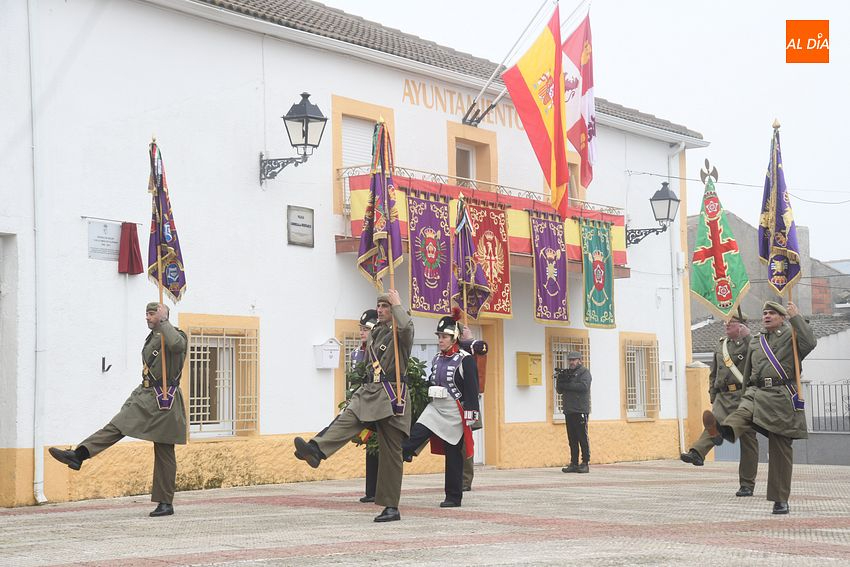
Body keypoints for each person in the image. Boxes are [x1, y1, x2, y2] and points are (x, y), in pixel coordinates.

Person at [48, 302, 188, 517]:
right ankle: (79, 454)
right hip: (145, 395)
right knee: (117, 425)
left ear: (162, 315)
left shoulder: (174, 334)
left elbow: (177, 347)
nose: (147, 318)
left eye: (151, 314)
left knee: (164, 451)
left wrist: (164, 322)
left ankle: (165, 502)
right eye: (147, 314)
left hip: (165, 399)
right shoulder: (152, 337)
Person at [294, 289, 414, 522]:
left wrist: (398, 305)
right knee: (347, 417)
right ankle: (316, 450)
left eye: (385, 306)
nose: (379, 310)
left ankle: (391, 506)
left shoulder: (401, 331)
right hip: (371, 392)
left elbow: (408, 329)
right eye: (379, 306)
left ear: (394, 309)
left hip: (391, 396)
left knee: (391, 454)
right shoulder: (377, 332)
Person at [704, 300, 816, 515]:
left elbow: (810, 343)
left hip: (781, 395)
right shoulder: (757, 340)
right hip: (756, 391)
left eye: (772, 313)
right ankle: (726, 430)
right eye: (764, 313)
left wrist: (797, 318)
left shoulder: (792, 336)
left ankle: (779, 499)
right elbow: (748, 371)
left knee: (780, 450)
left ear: (782, 317)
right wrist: (745, 392)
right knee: (742, 412)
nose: (766, 316)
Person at [402, 315, 480, 507]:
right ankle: (404, 454)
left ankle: (453, 497)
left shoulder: (465, 359)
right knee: (416, 434)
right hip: (435, 408)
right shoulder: (437, 358)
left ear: (454, 337)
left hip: (455, 411)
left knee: (453, 455)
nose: (440, 340)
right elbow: (433, 380)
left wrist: (471, 415)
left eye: (444, 336)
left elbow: (472, 388)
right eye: (439, 336)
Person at [680, 312, 759, 497]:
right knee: (713, 424)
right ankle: (697, 453)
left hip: (743, 396)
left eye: (731, 323)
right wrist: (713, 394)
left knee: (748, 442)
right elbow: (714, 373)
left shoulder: (751, 342)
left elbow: (757, 353)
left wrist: (747, 335)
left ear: (741, 325)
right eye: (726, 323)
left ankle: (747, 484)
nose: (726, 325)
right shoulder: (722, 344)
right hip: (724, 396)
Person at [352, 309, 379, 504]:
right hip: (361, 403)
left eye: (366, 329)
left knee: (379, 448)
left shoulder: (379, 351)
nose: (362, 333)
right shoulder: (356, 353)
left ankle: (379, 490)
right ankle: (371, 491)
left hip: (378, 404)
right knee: (370, 448)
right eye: (361, 329)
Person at [556, 351, 592, 473]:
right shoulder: (568, 373)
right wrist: (560, 381)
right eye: (570, 360)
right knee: (572, 438)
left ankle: (585, 462)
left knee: (582, 437)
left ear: (580, 360)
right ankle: (574, 463)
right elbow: (559, 390)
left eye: (574, 360)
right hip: (569, 410)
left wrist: (568, 384)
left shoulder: (584, 372)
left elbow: (583, 387)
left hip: (580, 410)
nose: (571, 362)